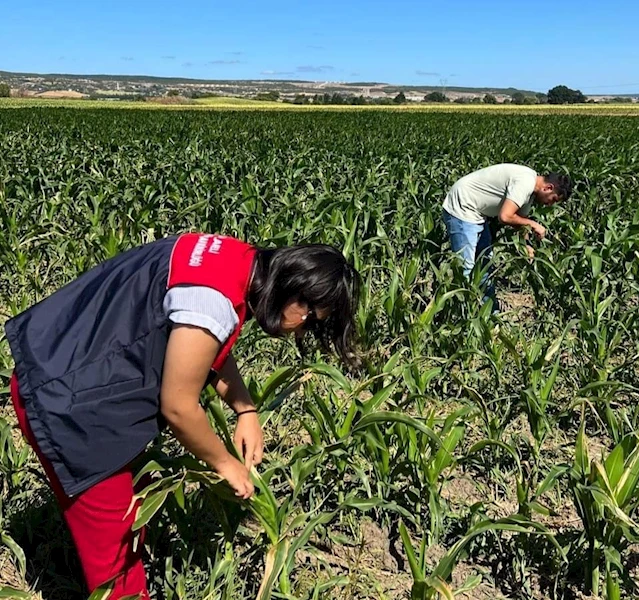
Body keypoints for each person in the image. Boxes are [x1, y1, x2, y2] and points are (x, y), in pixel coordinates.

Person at [4, 232, 360, 599]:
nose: (304, 328)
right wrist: (225, 464)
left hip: (59, 361)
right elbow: (178, 405)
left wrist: (245, 408)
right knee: (118, 573)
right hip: (70, 408)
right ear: (296, 293)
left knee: (132, 509)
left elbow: (205, 345)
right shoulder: (212, 303)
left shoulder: (231, 257)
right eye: (312, 318)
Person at [441, 163, 572, 310]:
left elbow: (519, 222)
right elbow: (505, 217)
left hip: (478, 213)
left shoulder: (530, 193)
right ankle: (459, 314)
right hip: (464, 206)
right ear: (548, 188)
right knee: (466, 268)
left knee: (484, 265)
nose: (550, 205)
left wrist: (526, 245)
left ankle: (489, 312)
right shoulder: (525, 183)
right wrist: (533, 224)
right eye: (553, 199)